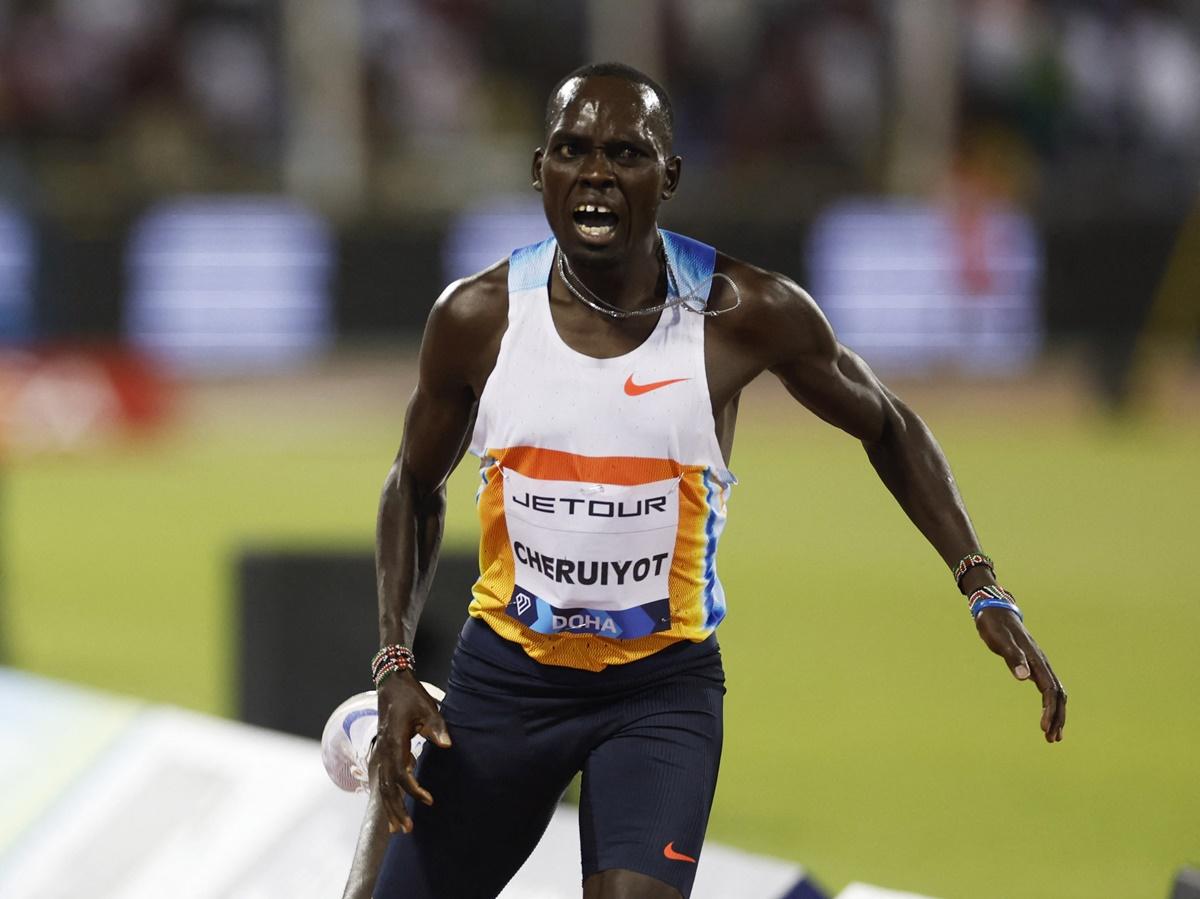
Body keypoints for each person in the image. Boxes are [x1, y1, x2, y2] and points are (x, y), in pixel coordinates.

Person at [351, 62, 1067, 899]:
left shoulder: (742, 313)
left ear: (671, 177)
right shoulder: (479, 318)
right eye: (573, 151)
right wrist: (396, 663)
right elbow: (412, 485)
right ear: (538, 168)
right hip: (510, 678)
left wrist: (983, 587)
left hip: (658, 690)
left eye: (626, 153)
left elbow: (889, 423)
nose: (596, 175)